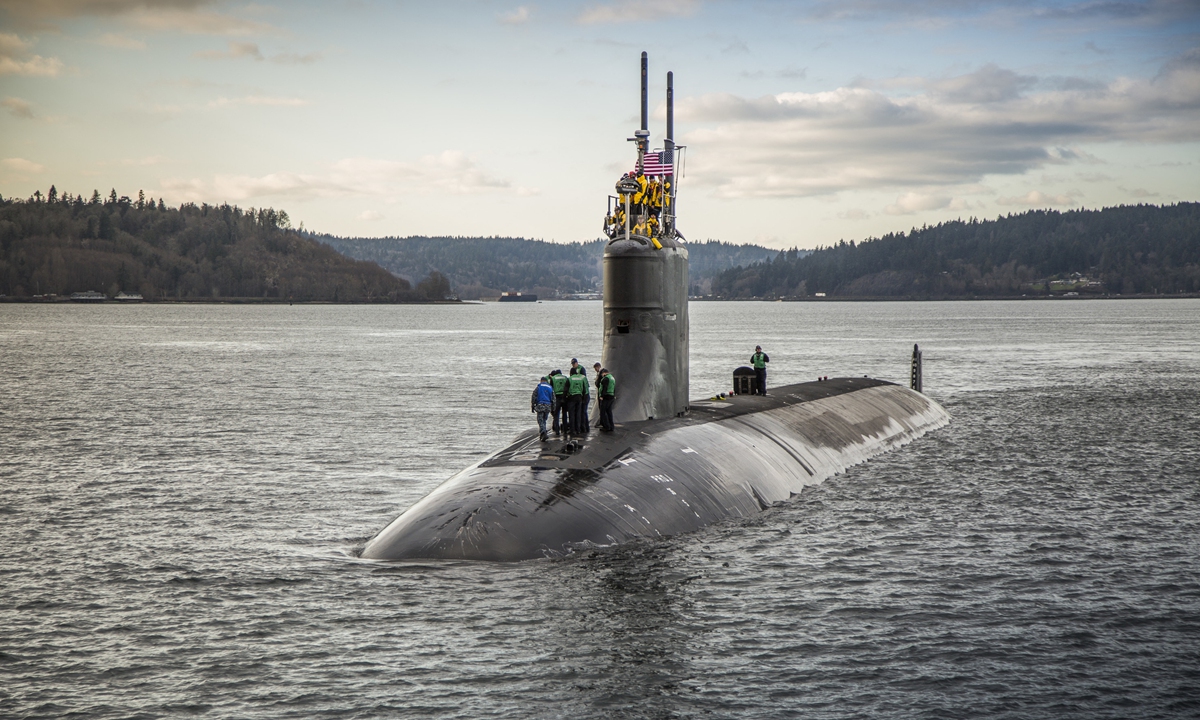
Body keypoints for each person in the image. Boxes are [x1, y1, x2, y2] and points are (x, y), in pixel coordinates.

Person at [565, 365, 588, 435]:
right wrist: (584, 398)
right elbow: (585, 389)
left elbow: (566, 390)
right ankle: (578, 429)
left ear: (570, 373)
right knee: (578, 414)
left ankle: (572, 430)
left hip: (572, 398)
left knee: (571, 414)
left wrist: (565, 398)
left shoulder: (570, 379)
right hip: (579, 398)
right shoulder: (581, 378)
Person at [531, 376, 555, 441]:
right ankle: (543, 432)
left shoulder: (539, 387)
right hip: (548, 406)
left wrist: (532, 405)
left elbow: (534, 396)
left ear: (541, 381)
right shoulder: (550, 387)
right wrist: (553, 408)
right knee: (544, 419)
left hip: (540, 405)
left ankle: (543, 432)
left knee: (540, 419)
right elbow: (553, 398)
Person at [549, 369, 568, 434]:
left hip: (557, 398)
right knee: (564, 414)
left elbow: (551, 389)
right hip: (564, 397)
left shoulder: (553, 378)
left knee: (556, 414)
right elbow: (568, 387)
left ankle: (557, 430)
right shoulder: (565, 378)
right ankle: (565, 429)